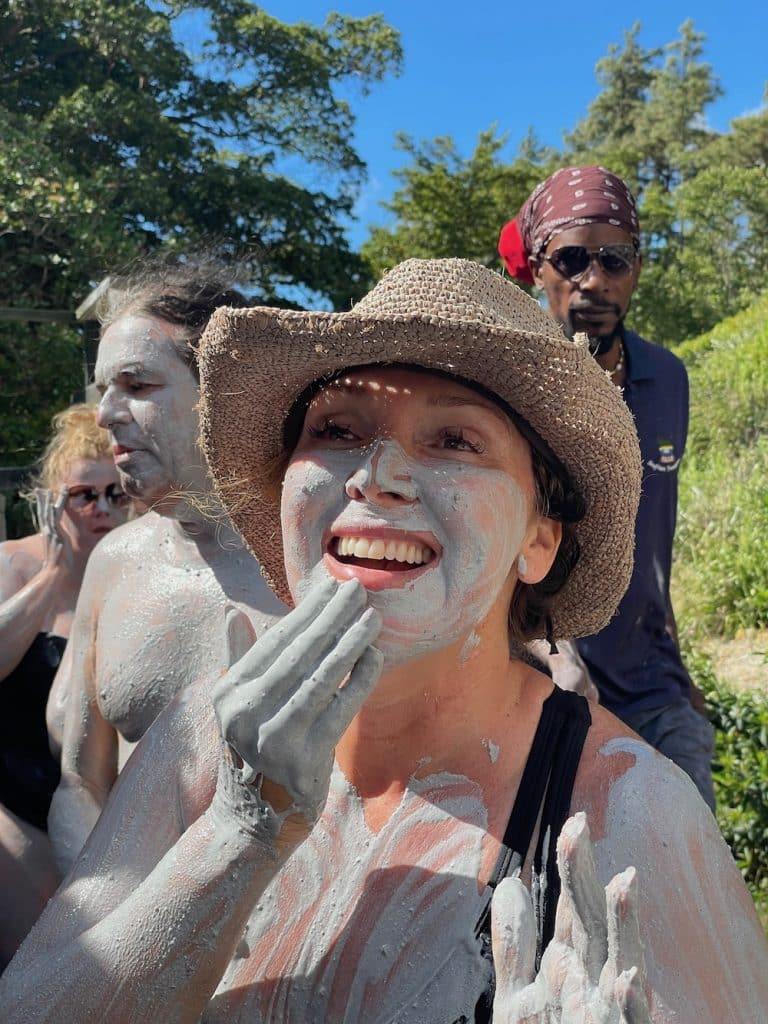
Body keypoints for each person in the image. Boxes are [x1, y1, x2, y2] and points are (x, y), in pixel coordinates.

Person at [1, 259, 766, 1021]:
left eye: (456, 440)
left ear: (538, 540)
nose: (379, 474)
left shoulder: (623, 817)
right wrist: (238, 835)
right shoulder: (204, 739)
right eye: (337, 429)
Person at [46, 257, 285, 877]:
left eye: (138, 385)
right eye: (105, 390)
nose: (104, 414)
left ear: (225, 390)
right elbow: (79, 782)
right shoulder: (116, 562)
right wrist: (105, 924)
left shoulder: (322, 556)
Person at [499, 165, 716, 810]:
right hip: (545, 682)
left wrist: (675, 655)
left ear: (638, 268)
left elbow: (657, 536)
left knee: (694, 875)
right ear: (538, 269)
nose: (594, 280)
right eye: (571, 258)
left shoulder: (666, 380)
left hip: (655, 685)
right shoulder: (512, 385)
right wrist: (541, 649)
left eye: (614, 259)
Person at [0, 403, 128, 966]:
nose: (101, 509)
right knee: (35, 960)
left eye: (115, 494)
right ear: (56, 497)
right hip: (11, 803)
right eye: (84, 495)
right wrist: (53, 575)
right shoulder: (13, 564)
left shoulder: (132, 570)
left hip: (101, 807)